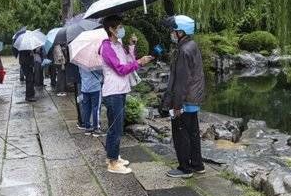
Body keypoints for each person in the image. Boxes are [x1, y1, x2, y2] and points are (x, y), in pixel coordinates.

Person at [99, 16, 154, 174]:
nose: (122, 29)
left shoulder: (118, 44)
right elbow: (121, 69)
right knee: (115, 128)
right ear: (111, 29)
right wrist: (140, 62)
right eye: (120, 27)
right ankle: (113, 162)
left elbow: (128, 61)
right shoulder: (107, 47)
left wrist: (131, 47)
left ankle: (114, 155)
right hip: (113, 92)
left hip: (121, 90)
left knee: (117, 126)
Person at [160, 15, 206, 178]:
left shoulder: (183, 50)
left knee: (181, 133)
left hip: (185, 99)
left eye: (173, 30)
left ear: (180, 32)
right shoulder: (191, 45)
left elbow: (181, 81)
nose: (171, 33)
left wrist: (177, 105)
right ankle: (197, 164)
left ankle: (185, 168)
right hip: (194, 98)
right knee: (192, 132)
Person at [79, 66, 103, 136]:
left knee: (86, 108)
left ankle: (87, 127)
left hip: (84, 88)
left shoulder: (80, 63)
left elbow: (80, 73)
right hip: (95, 87)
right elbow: (101, 72)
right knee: (96, 108)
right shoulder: (94, 63)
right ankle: (96, 128)